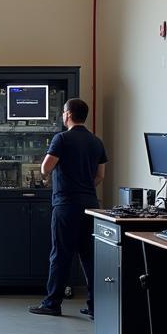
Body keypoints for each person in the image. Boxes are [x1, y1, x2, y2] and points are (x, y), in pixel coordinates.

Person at [28, 97, 107, 317]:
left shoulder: (61, 139)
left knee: (60, 255)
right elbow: (100, 175)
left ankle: (52, 303)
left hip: (66, 205)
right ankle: (94, 306)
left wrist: (51, 176)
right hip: (90, 205)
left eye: (63, 112)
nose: (62, 116)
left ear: (69, 114)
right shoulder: (96, 142)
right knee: (89, 257)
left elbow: (45, 168)